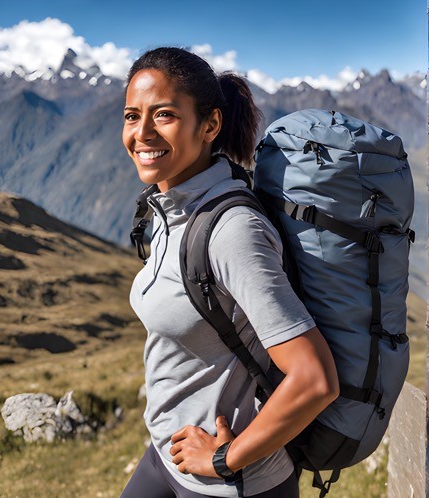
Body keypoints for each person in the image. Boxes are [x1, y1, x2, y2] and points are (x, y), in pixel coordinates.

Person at [120, 47, 339, 498]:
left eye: (162, 115)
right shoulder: (169, 206)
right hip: (167, 455)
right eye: (131, 115)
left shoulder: (232, 232)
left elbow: (315, 379)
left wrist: (224, 459)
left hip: (231, 482)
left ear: (210, 125)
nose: (142, 133)